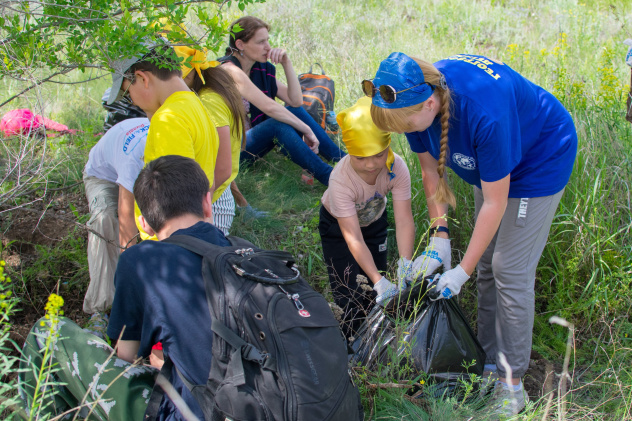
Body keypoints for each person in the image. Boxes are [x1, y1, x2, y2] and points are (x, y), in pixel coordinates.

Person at [367, 52, 578, 415]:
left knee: (509, 268)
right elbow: (431, 174)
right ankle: (486, 362)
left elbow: (496, 203)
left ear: (430, 103)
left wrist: (459, 272)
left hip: (539, 157)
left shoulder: (483, 114)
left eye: (407, 126)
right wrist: (440, 239)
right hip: (493, 164)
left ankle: (512, 385)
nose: (405, 134)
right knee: (484, 266)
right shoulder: (418, 107)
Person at [20, 155, 225, 420]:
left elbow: (126, 355)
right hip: (276, 402)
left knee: (47, 333)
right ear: (207, 203)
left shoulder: (140, 260)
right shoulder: (252, 255)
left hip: (194, 412)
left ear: (145, 224)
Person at [106, 38, 223, 240]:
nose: (131, 101)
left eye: (127, 93)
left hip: (170, 248)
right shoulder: (195, 106)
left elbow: (173, 207)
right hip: (194, 239)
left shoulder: (168, 120)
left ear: (142, 78)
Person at [319, 97, 414, 340]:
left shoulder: (397, 168)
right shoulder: (341, 181)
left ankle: (375, 339)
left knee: (374, 291)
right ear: (349, 150)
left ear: (388, 147)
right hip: (338, 229)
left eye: (378, 155)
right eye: (360, 157)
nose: (371, 165)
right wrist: (377, 280)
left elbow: (404, 220)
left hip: (374, 221)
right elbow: (354, 239)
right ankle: (349, 342)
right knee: (349, 289)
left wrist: (405, 262)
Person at [219, 16, 346, 186]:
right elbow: (269, 107)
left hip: (251, 141)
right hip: (229, 153)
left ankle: (343, 160)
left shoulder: (257, 68)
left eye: (268, 41)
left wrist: (287, 63)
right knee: (277, 123)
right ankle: (334, 179)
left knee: (293, 113)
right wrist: (306, 129)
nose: (268, 47)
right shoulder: (228, 70)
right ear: (240, 44)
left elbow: (295, 102)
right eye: (260, 42)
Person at [82, 117, 149, 337]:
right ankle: (99, 311)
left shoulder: (173, 141)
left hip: (143, 174)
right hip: (104, 176)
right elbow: (126, 220)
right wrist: (131, 286)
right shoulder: (134, 158)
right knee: (104, 220)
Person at [174, 46, 251, 234]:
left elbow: (223, 168)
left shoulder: (208, 101)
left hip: (212, 201)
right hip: (212, 196)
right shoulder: (210, 93)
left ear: (187, 75)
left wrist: (199, 206)